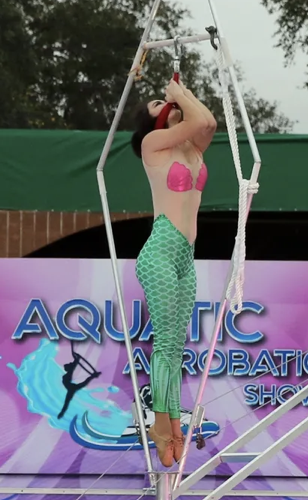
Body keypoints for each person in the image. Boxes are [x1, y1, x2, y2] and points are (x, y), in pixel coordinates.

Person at [130, 78, 217, 467]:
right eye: (156, 104)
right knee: (165, 345)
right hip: (160, 253)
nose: (162, 103)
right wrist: (178, 96)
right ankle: (164, 427)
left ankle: (173, 425)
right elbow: (197, 118)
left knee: (177, 348)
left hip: (185, 256)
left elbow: (209, 123)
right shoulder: (153, 146)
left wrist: (181, 95)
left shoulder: (192, 146)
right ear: (152, 123)